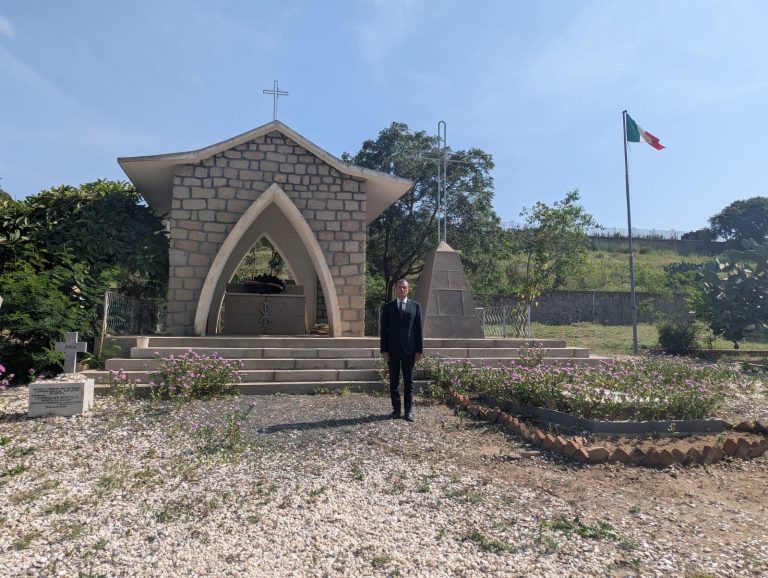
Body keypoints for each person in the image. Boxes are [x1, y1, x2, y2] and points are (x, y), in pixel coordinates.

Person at [379, 278, 423, 421]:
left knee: (409, 382)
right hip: (392, 350)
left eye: (405, 287)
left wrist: (419, 350)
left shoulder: (415, 306)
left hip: (409, 350)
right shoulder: (388, 307)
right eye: (400, 287)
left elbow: (419, 330)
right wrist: (384, 350)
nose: (402, 289)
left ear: (408, 289)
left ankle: (408, 412)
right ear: (396, 289)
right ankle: (396, 410)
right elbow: (384, 331)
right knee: (394, 381)